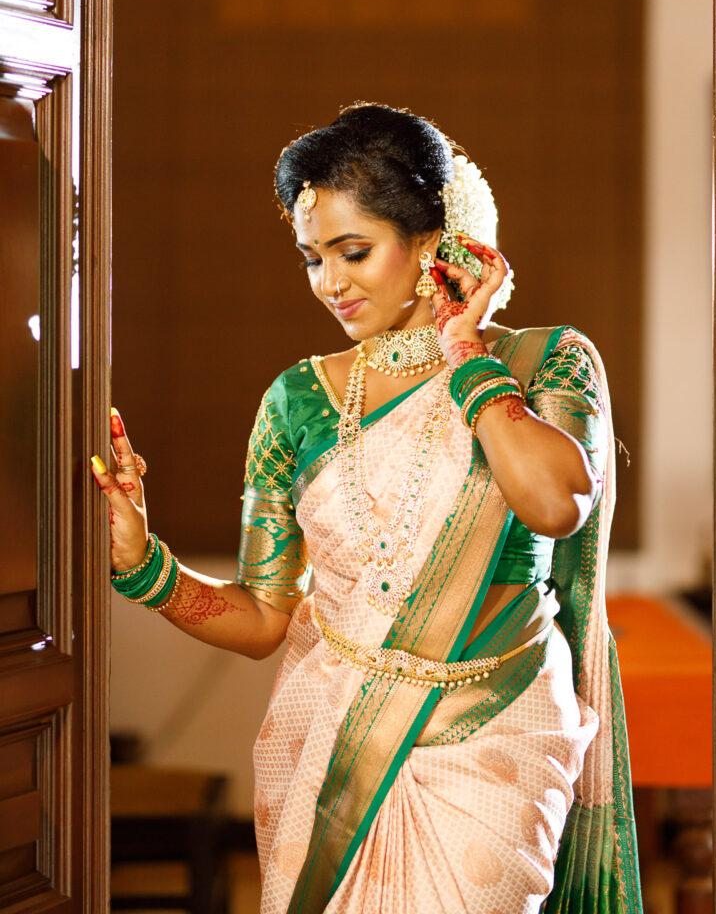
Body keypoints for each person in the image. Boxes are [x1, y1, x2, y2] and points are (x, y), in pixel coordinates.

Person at [92, 102, 641, 914]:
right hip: (333, 739)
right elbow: (265, 619)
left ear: (431, 241)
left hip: (495, 739)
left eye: (353, 252)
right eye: (312, 258)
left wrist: (466, 354)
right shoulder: (296, 403)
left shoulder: (545, 362)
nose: (330, 283)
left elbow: (556, 504)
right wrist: (143, 565)